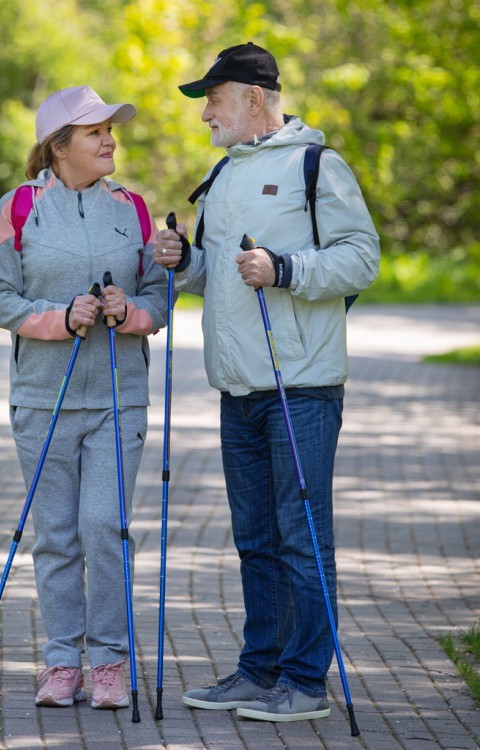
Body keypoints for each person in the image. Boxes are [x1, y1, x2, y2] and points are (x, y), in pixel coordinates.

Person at [154, 42, 379, 723]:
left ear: (254, 99)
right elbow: (215, 276)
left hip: (301, 390)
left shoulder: (320, 165)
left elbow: (361, 258)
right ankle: (259, 673)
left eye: (213, 102)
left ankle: (305, 684)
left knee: (301, 537)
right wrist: (184, 258)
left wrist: (285, 269)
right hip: (238, 389)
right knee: (254, 539)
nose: (205, 118)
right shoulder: (220, 175)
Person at [0, 85, 167, 710]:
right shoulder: (21, 207)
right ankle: (63, 662)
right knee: (57, 533)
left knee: (104, 527)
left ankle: (110, 661)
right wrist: (59, 317)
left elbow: (159, 298)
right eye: (94, 132)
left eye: (111, 129)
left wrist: (130, 310)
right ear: (58, 147)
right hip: (41, 398)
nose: (110, 139)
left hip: (118, 397)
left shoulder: (134, 209)